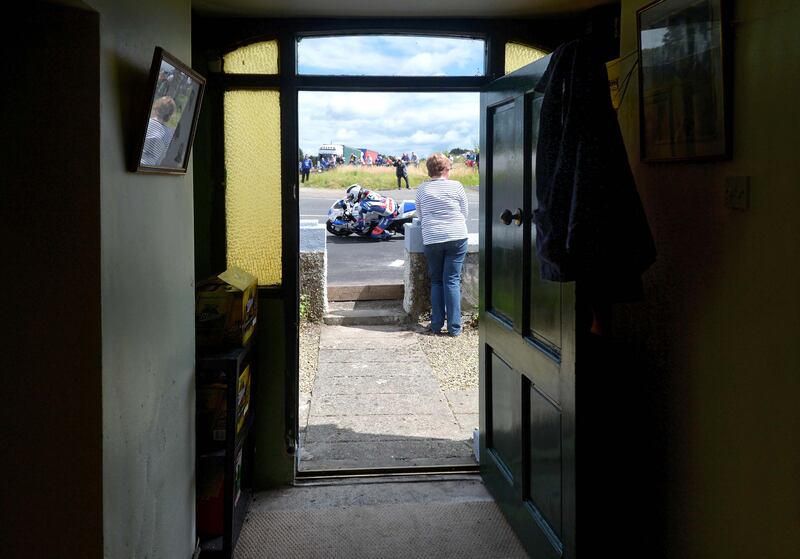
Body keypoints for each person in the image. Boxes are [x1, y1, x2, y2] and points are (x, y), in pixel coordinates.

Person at [414, 153, 469, 336]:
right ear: (445, 169)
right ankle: (455, 328)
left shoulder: (422, 189)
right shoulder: (457, 186)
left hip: (433, 237)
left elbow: (420, 215)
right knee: (452, 280)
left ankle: (436, 325)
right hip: (456, 236)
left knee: (437, 281)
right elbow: (464, 213)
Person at [140, 96, 176, 167]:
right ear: (169, 115)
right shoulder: (168, 134)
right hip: (149, 168)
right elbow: (161, 158)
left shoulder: (146, 122)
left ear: (156, 107)